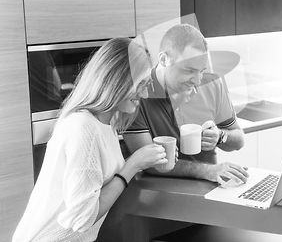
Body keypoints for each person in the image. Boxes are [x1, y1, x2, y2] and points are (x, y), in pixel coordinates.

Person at [13, 38, 170, 242]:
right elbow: (82, 218)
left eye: (146, 84)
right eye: (139, 84)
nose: (145, 93)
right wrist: (133, 165)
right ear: (116, 80)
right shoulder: (84, 128)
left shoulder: (107, 123)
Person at [124, 24, 249, 185]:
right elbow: (148, 163)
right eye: (189, 71)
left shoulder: (212, 84)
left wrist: (220, 136)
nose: (197, 81)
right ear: (164, 59)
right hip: (156, 192)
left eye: (201, 71)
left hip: (209, 185)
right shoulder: (138, 92)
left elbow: (239, 139)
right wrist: (206, 171)